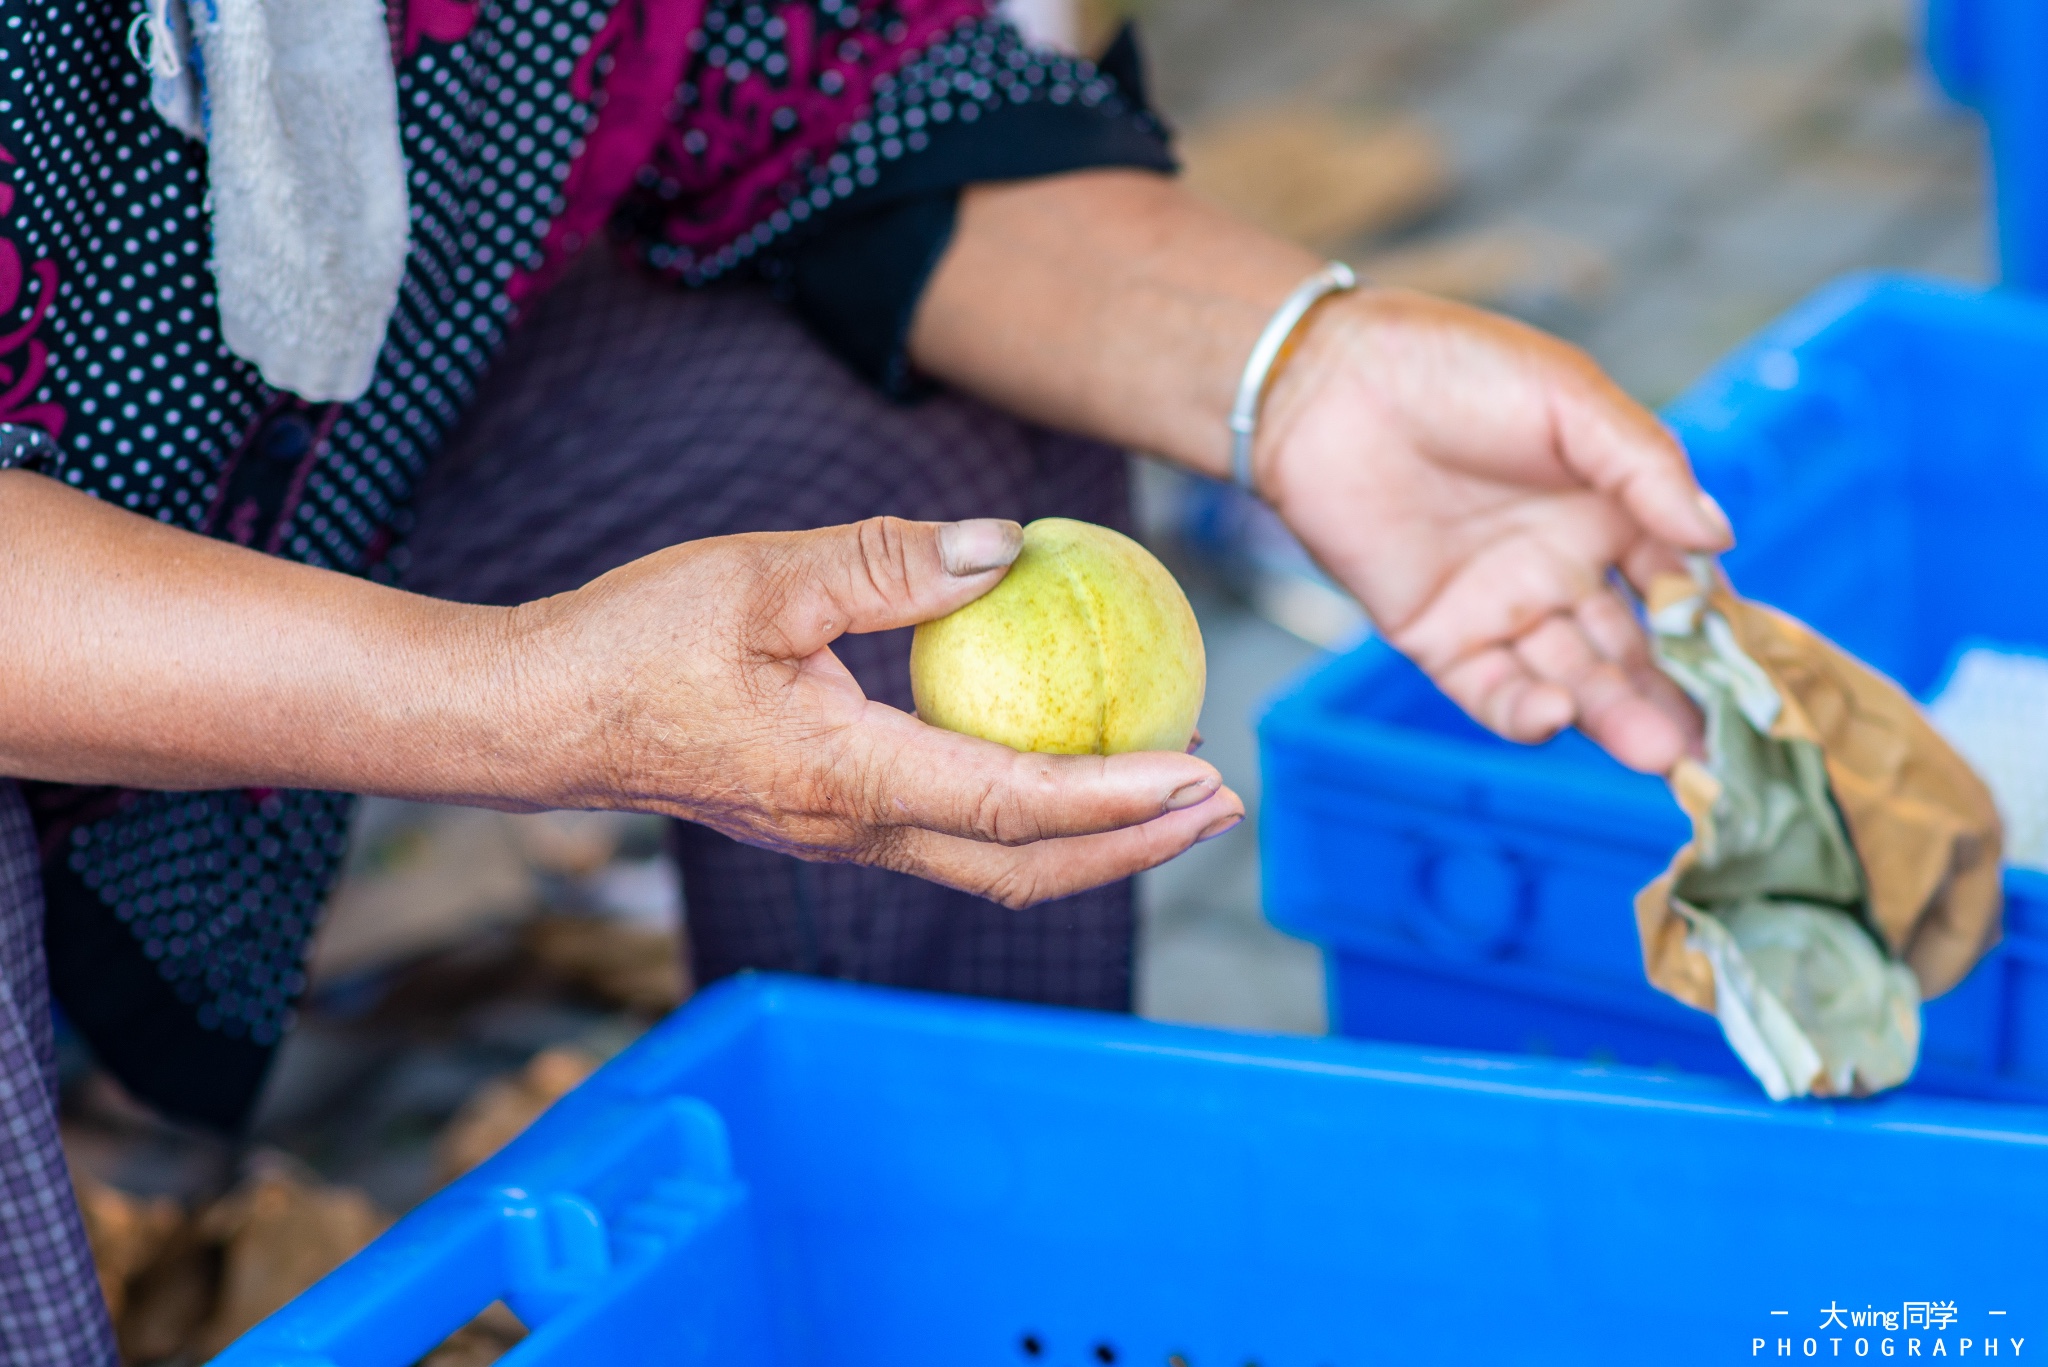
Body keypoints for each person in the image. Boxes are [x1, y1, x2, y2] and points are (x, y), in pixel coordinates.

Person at [0, 0, 1727, 1355]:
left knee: (899, 425)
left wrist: (1303, 369)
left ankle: (961, 1273)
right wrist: (515, 702)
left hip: (306, 430)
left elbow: (827, 84)